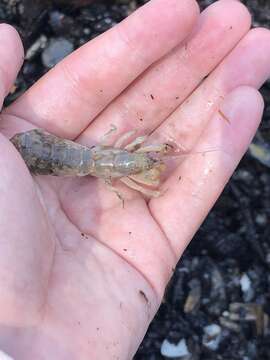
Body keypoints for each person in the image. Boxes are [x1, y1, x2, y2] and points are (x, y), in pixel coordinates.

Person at [0, 0, 269, 358]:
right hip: (69, 158)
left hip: (85, 159)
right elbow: (136, 166)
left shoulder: (122, 158)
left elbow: (131, 149)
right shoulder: (118, 171)